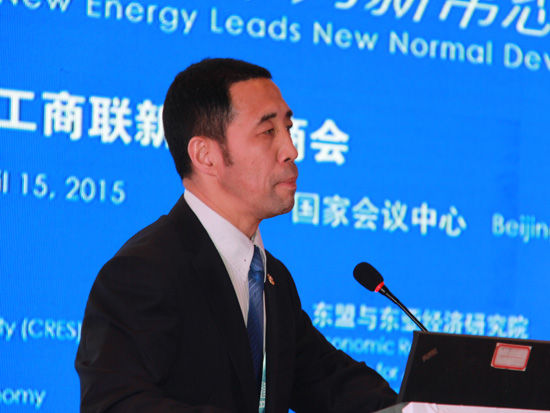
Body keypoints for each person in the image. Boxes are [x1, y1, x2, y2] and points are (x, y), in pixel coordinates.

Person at [75, 58, 397, 413]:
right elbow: (115, 404)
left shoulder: (272, 278)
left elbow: (327, 379)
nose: (291, 150)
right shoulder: (143, 272)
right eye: (268, 131)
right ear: (206, 156)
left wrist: (418, 407)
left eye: (288, 128)